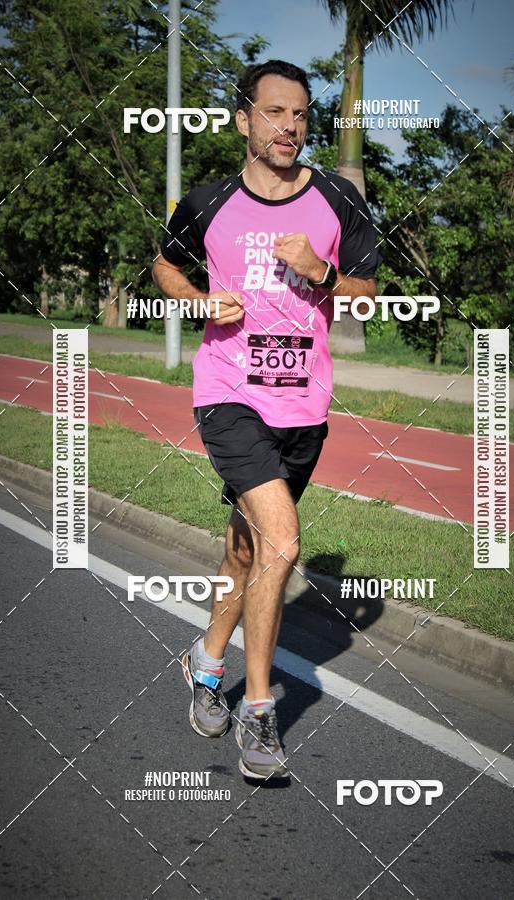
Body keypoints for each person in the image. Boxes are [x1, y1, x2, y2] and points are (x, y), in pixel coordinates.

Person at [152, 59, 378, 779]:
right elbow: (164, 263)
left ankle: (204, 662)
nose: (291, 127)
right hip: (228, 394)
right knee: (282, 543)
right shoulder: (210, 202)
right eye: (276, 113)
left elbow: (368, 295)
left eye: (302, 115)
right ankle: (258, 715)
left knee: (248, 552)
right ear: (244, 119)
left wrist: (323, 273)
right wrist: (194, 301)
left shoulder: (339, 200)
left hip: (302, 405)